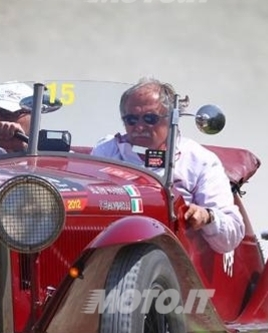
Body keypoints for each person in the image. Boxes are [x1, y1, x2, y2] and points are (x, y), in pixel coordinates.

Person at [91, 78, 244, 254]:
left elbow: (232, 236)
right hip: (108, 251)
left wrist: (206, 217)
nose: (139, 127)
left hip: (176, 261)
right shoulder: (106, 151)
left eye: (150, 118)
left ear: (172, 119)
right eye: (131, 119)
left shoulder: (199, 160)